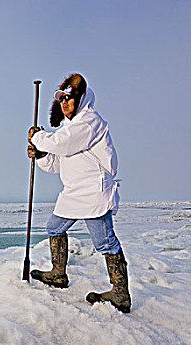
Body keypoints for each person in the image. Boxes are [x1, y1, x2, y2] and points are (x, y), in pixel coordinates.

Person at [27, 73, 131, 313]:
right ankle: (58, 273)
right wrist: (41, 154)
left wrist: (39, 138)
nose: (65, 103)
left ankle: (120, 293)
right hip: (73, 193)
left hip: (94, 192)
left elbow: (62, 143)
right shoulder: (70, 129)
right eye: (62, 99)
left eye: (70, 98)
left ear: (82, 99)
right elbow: (57, 163)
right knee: (54, 227)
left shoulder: (89, 122)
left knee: (104, 242)